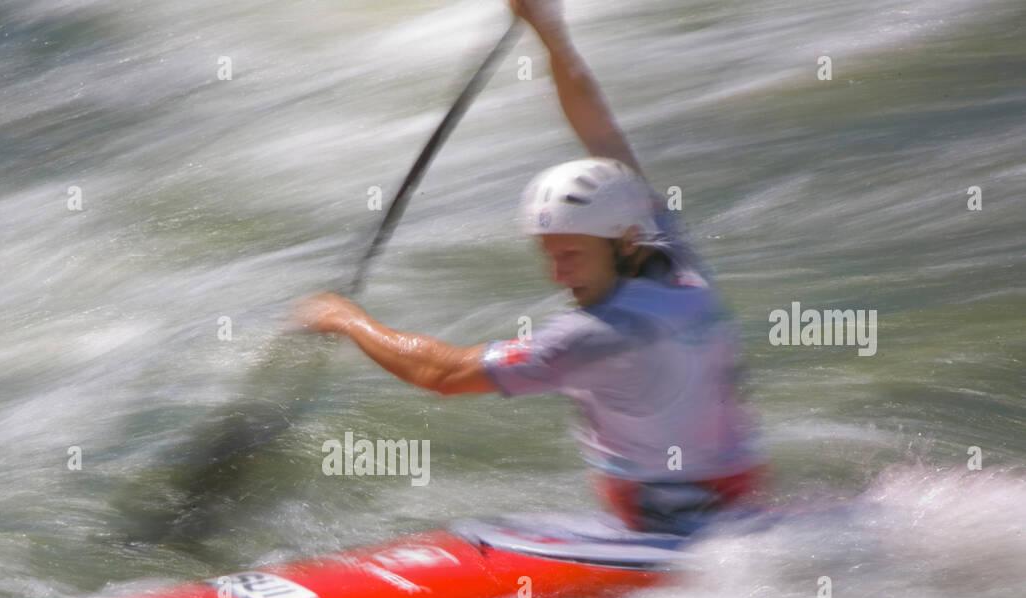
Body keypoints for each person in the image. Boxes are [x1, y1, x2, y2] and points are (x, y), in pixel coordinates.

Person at [292, 0, 764, 535]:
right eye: (550, 253)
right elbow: (601, 132)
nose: (557, 274)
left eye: (571, 256)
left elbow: (442, 374)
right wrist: (549, 32)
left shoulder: (595, 334)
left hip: (663, 523)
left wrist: (344, 319)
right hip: (734, 494)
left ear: (622, 243)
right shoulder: (668, 252)